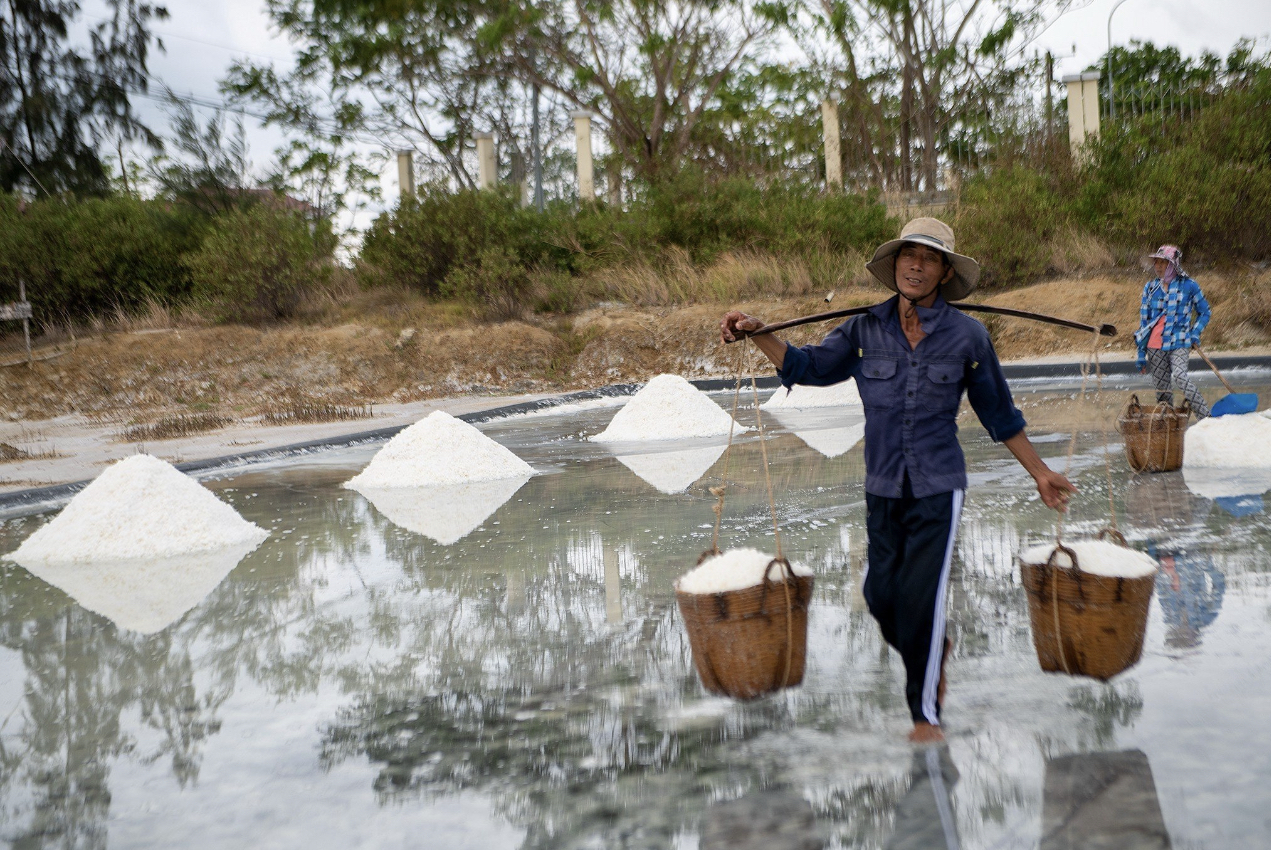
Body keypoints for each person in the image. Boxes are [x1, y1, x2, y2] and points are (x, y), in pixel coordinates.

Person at [720, 217, 1075, 744]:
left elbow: (999, 414)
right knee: (881, 596)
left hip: (938, 487)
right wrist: (759, 335)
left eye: (930, 258)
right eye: (909, 254)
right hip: (883, 485)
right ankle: (932, 650)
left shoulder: (968, 336)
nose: (916, 265)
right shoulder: (864, 329)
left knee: (921, 601)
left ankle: (925, 715)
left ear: (945, 272)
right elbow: (808, 367)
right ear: (895, 265)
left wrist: (1041, 473)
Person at [1134, 244, 1211, 418]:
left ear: (1173, 265)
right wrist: (1141, 353)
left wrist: (1195, 333)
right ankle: (1168, 425)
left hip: (1180, 341)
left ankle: (1206, 417)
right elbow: (1144, 323)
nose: (1158, 267)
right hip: (1155, 345)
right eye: (1156, 262)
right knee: (1162, 391)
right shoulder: (1150, 288)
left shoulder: (1189, 286)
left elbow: (1205, 312)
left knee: (1180, 377)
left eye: (1163, 263)